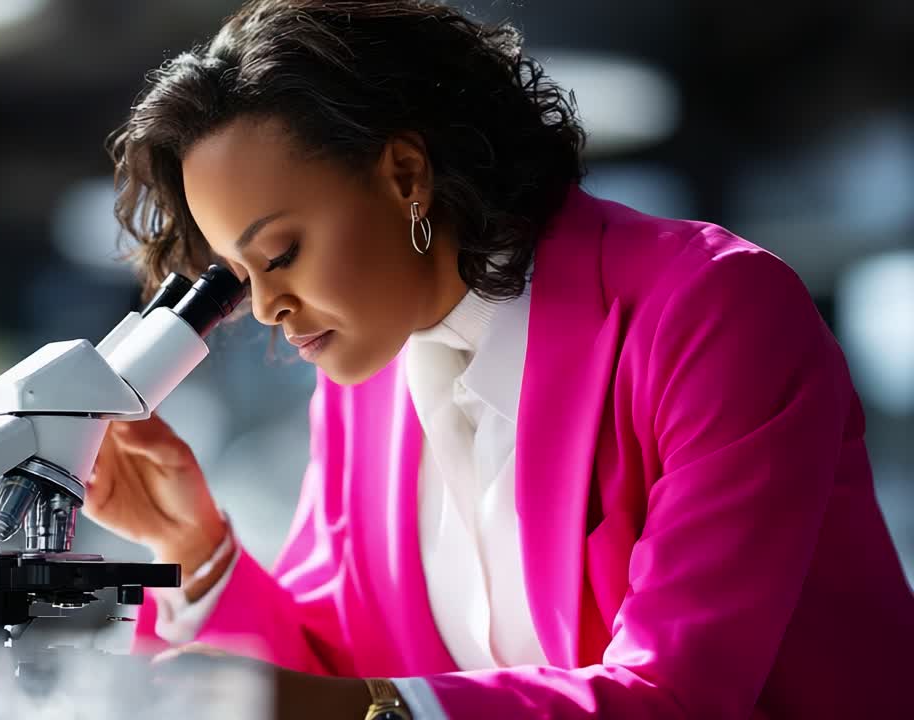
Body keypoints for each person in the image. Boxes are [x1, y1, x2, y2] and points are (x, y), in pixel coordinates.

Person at [87, 1, 914, 717]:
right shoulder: (366, 380)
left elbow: (678, 697)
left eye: (282, 253)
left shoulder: (712, 312)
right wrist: (196, 549)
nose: (267, 308)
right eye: (242, 276)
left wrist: (349, 711)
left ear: (405, 173)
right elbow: (342, 672)